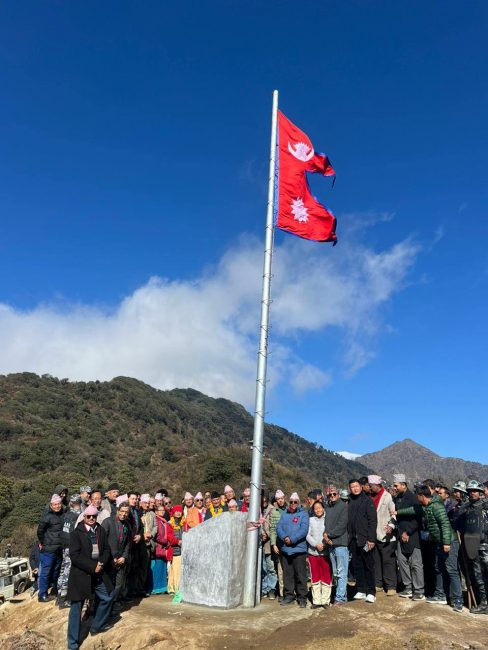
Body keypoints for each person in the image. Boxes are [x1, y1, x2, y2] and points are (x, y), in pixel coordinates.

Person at [397, 485, 463, 612]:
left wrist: (446, 543)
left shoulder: (437, 506)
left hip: (449, 542)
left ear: (421, 496)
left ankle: (458, 600)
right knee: (438, 568)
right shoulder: (426, 507)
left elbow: (445, 524)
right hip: (438, 542)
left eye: (417, 496)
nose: (416, 498)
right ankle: (440, 595)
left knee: (451, 569)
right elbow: (413, 510)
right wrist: (397, 512)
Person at [66, 505, 114, 649]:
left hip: (99, 573)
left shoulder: (100, 530)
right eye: (89, 516)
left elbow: (106, 549)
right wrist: (93, 566)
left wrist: (101, 563)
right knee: (76, 608)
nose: (92, 519)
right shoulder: (76, 533)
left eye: (94, 516)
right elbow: (74, 556)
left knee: (107, 597)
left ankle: (96, 626)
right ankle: (73, 643)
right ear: (84, 517)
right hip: (81, 575)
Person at [457, 480, 488, 614]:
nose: (472, 493)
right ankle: (484, 603)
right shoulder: (466, 508)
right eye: (470, 491)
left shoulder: (486, 506)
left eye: (475, 491)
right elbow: (458, 523)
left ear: (480, 493)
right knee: (478, 575)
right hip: (472, 545)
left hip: (485, 545)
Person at [393, 474, 424, 600]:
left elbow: (417, 519)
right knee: (402, 561)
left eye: (396, 485)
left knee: (415, 564)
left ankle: (419, 590)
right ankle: (408, 587)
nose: (394, 488)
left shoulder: (413, 498)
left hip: (412, 535)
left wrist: (408, 532)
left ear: (403, 485)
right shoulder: (398, 498)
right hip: (400, 534)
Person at [276, 492, 309, 608]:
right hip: (286, 549)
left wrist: (292, 539)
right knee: (287, 575)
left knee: (300, 575)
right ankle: (289, 595)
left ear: (298, 502)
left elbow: (304, 529)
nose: (293, 504)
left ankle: (302, 597)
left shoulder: (303, 514)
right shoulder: (284, 514)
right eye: (291, 502)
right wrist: (285, 537)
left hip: (299, 549)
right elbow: (278, 528)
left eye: (295, 502)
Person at [347, 479, 377, 603]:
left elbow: (372, 521)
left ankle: (371, 592)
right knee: (357, 565)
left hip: (365, 539)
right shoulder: (348, 501)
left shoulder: (367, 501)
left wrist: (371, 538)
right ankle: (361, 589)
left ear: (361, 487)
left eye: (357, 486)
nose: (355, 488)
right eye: (352, 487)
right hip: (353, 539)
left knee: (368, 566)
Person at [368, 475, 397, 596]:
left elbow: (393, 513)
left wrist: (391, 525)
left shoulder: (387, 496)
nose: (370, 488)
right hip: (374, 534)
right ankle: (378, 583)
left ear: (377, 485)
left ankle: (391, 586)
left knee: (388, 561)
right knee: (376, 561)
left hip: (386, 534)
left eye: (371, 486)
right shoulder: (370, 497)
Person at [102, 501, 131, 607]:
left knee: (119, 583)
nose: (124, 514)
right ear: (118, 511)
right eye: (122, 511)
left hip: (120, 559)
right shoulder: (108, 522)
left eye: (126, 512)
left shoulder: (127, 524)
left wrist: (124, 556)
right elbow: (102, 541)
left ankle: (113, 602)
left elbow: (127, 542)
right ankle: (105, 604)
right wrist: (110, 557)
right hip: (109, 558)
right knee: (108, 583)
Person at [324, 486, 349, 605]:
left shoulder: (344, 506)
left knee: (341, 572)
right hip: (330, 543)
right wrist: (326, 536)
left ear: (338, 494)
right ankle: (342, 595)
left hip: (340, 543)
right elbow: (326, 524)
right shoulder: (328, 507)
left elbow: (342, 525)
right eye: (330, 495)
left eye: (334, 494)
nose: (332, 496)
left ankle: (340, 597)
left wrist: (329, 535)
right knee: (335, 572)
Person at [37, 494, 64, 602]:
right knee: (46, 572)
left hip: (59, 549)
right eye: (55, 504)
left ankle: (54, 591)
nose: (57, 506)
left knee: (56, 571)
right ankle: (42, 595)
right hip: (48, 550)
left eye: (59, 504)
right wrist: (44, 543)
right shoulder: (47, 517)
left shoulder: (63, 514)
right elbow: (40, 532)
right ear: (51, 505)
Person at [57, 494, 82, 608]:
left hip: (64, 545)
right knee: (68, 570)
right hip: (72, 546)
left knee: (63, 569)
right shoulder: (77, 515)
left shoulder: (65, 515)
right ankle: (63, 598)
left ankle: (59, 595)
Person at [307, 500, 332, 608]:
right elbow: (307, 535)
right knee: (315, 576)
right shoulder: (310, 520)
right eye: (315, 508)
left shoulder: (328, 519)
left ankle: (325, 600)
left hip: (326, 553)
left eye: (320, 507)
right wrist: (315, 544)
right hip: (313, 552)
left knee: (326, 576)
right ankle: (316, 601)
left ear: (323, 508)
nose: (318, 510)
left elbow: (330, 534)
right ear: (313, 510)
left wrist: (325, 545)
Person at [151, 504, 178, 594]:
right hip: (159, 547)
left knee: (163, 567)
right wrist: (166, 542)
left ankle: (162, 587)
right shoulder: (157, 520)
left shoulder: (164, 521)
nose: (162, 512)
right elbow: (157, 535)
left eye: (163, 510)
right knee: (157, 568)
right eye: (160, 510)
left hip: (164, 548)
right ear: (156, 512)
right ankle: (155, 587)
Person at [269, 489, 287, 600]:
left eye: (282, 498)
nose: (280, 500)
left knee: (290, 569)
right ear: (276, 500)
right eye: (278, 499)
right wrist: (273, 544)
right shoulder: (274, 512)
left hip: (290, 544)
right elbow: (272, 529)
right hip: (279, 544)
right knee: (280, 570)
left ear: (284, 498)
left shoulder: (290, 509)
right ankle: (282, 593)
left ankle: (290, 591)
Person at [260, 491, 277, 600]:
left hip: (269, 544)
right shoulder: (256, 510)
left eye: (264, 498)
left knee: (271, 568)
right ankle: (264, 588)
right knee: (262, 569)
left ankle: (271, 588)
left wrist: (267, 535)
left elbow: (275, 527)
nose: (263, 500)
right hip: (258, 545)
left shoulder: (272, 510)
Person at [140, 494, 157, 595]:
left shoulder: (152, 514)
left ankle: (145, 588)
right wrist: (142, 535)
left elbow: (155, 526)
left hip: (149, 543)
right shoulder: (138, 513)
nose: (147, 505)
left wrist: (150, 534)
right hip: (140, 543)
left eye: (148, 503)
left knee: (146, 567)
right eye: (145, 503)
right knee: (140, 567)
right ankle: (139, 588)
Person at [167, 505, 184, 594]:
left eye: (180, 511)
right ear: (173, 513)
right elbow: (169, 537)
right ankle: (176, 589)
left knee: (176, 570)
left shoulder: (184, 523)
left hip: (182, 550)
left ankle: (172, 588)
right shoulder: (170, 523)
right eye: (176, 511)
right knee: (175, 570)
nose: (178, 513)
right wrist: (178, 542)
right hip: (174, 550)